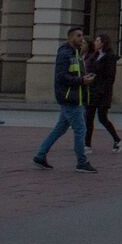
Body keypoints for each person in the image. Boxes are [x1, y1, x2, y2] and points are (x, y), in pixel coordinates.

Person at [32, 27, 96, 173]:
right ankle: (81, 162)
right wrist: (81, 80)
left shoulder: (75, 54)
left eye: (82, 36)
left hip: (75, 96)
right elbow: (61, 77)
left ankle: (40, 155)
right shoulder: (65, 54)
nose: (82, 39)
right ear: (70, 38)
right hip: (70, 98)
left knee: (60, 129)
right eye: (79, 36)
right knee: (81, 130)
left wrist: (84, 79)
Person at [83, 32, 121, 151]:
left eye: (97, 41)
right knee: (88, 118)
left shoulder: (109, 57)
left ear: (103, 43)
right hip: (92, 90)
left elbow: (110, 77)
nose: (95, 42)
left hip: (102, 92)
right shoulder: (95, 55)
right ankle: (87, 144)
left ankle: (117, 140)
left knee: (102, 118)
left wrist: (102, 90)